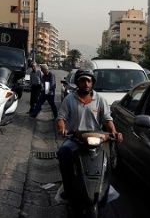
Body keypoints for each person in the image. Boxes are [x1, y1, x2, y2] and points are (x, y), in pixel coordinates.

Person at [56, 69, 123, 201]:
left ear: (92, 83)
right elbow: (61, 118)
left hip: (96, 139)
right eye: (83, 80)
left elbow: (107, 119)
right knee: (63, 152)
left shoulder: (100, 100)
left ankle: (104, 186)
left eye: (89, 80)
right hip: (75, 138)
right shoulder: (70, 99)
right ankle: (67, 187)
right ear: (78, 82)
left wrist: (114, 132)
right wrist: (62, 129)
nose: (86, 83)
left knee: (108, 160)